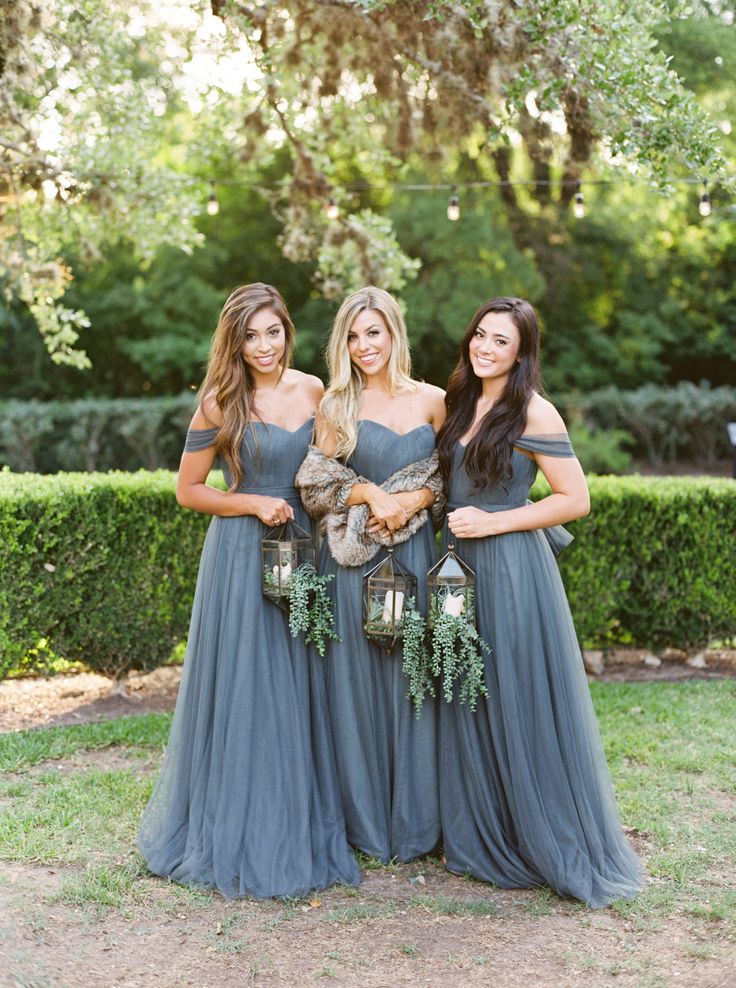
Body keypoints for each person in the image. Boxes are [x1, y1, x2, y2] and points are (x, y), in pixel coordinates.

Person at [137, 283, 360, 899]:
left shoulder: (316, 391)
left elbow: (330, 473)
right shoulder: (218, 401)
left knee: (298, 680)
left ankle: (297, 809)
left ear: (288, 330)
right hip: (240, 551)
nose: (264, 346)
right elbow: (189, 490)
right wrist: (251, 501)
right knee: (248, 683)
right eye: (251, 335)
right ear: (234, 340)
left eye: (273, 331)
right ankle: (237, 818)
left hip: (304, 551)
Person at [434, 296, 643, 907]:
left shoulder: (534, 411)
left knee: (515, 692)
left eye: (500, 341)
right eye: (479, 335)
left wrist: (495, 523)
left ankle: (540, 834)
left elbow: (574, 499)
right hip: (456, 572)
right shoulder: (460, 404)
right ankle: (480, 830)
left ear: (521, 352)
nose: (484, 348)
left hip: (511, 569)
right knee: (467, 692)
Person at [297, 286, 445, 863]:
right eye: (353, 336)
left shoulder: (435, 400)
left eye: (373, 333)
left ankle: (419, 819)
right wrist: (369, 492)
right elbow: (314, 484)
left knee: (414, 677)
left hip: (417, 556)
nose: (364, 346)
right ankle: (364, 820)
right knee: (359, 682)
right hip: (356, 565)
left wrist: (413, 501)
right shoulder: (336, 407)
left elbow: (453, 479)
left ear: (393, 333)